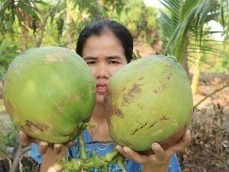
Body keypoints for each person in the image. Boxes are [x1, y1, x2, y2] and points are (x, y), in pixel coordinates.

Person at [20, 19, 191, 172]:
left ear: (131, 66)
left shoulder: (153, 127)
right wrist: (56, 147)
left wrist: (156, 165)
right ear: (78, 65)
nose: (101, 72)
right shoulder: (53, 120)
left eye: (113, 61)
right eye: (91, 62)